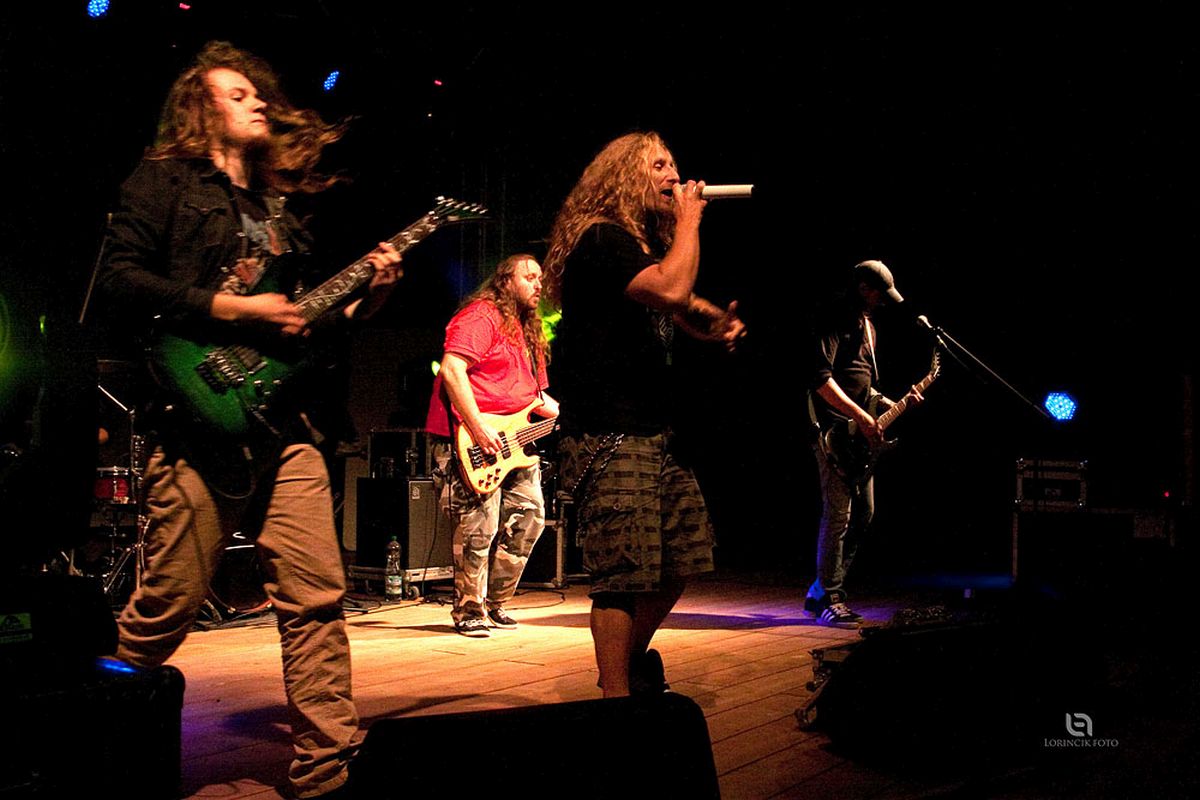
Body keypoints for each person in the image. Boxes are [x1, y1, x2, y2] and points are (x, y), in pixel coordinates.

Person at [96, 41, 402, 798]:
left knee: (315, 597)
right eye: (237, 94)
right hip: (198, 422)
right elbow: (119, 280)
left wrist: (371, 296)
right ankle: (86, 727)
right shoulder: (163, 181)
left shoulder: (280, 207)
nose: (257, 101)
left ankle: (326, 767)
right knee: (166, 607)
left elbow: (304, 328)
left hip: (286, 425)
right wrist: (233, 307)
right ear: (199, 110)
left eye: (256, 93)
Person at [543, 132, 745, 698]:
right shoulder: (600, 236)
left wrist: (715, 322)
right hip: (609, 431)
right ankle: (616, 701)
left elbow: (676, 304)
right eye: (659, 166)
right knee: (621, 574)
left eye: (674, 165)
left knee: (683, 557)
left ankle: (625, 666)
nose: (674, 176)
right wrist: (690, 220)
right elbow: (671, 288)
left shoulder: (633, 246)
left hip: (654, 430)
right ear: (624, 177)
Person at [425, 254, 559, 637]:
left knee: (530, 518)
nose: (538, 284)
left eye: (540, 278)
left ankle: (494, 602)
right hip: (471, 438)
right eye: (529, 277)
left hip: (515, 441)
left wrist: (565, 413)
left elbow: (534, 395)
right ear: (505, 281)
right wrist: (478, 425)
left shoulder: (529, 330)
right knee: (478, 526)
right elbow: (452, 370)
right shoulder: (481, 317)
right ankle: (469, 609)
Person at [805, 259, 921, 628]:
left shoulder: (869, 328)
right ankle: (831, 596)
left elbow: (864, 385)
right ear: (861, 288)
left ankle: (821, 588)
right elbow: (821, 380)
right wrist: (860, 416)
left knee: (864, 514)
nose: (882, 301)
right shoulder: (832, 320)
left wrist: (891, 404)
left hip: (859, 436)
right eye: (878, 293)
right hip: (833, 432)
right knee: (838, 515)